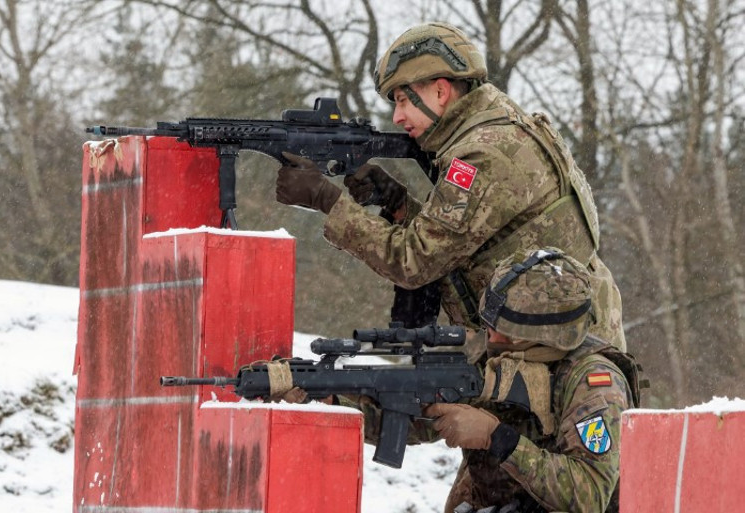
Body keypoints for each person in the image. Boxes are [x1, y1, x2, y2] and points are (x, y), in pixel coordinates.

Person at [274, 21, 627, 356]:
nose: (397, 117)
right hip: (556, 342)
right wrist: (399, 205)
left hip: (557, 356)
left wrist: (326, 199)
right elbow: (469, 241)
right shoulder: (500, 128)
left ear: (440, 91)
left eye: (402, 100)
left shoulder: (481, 153)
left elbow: (414, 261)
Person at [340, 248, 639, 512]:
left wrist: (495, 437)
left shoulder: (595, 382)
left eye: (501, 326)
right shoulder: (501, 354)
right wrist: (335, 404)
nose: (489, 333)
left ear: (540, 333)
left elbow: (589, 495)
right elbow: (419, 423)